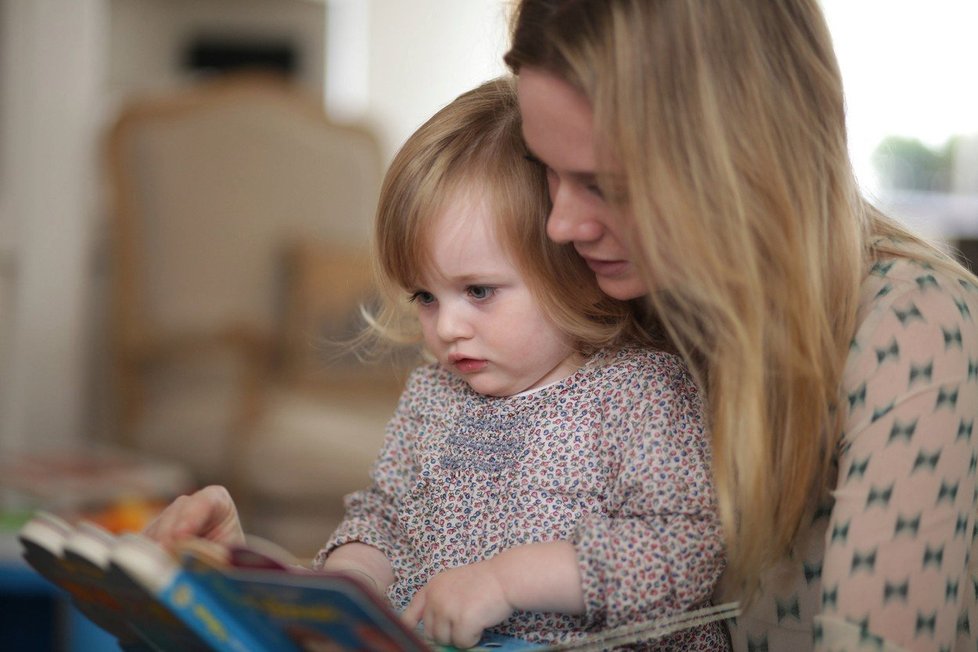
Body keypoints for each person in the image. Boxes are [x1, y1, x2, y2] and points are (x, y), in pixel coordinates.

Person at [145, 77, 729, 650]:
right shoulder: (436, 395)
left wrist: (507, 580)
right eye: (425, 296)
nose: (446, 327)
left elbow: (684, 552)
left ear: (572, 273)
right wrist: (345, 588)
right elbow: (383, 518)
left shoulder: (639, 391)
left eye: (478, 291)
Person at [503, 1, 978, 651]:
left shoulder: (919, 329)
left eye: (606, 186)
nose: (561, 225)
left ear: (741, 155)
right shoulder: (626, 302)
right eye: (546, 171)